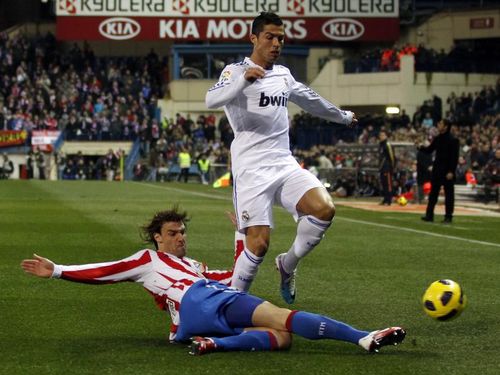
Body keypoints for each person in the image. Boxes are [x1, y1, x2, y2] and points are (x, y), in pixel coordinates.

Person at [20, 207, 406, 355]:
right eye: (173, 232)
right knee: (284, 317)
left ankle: (216, 344)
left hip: (194, 318)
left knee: (282, 339)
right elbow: (104, 271)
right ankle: (363, 337)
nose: (180, 237)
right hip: (198, 300)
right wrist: (57, 270)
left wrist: (241, 235)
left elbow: (236, 278)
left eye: (182, 232)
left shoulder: (195, 265)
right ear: (157, 237)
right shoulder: (146, 260)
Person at [205, 12, 357, 303]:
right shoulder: (235, 71)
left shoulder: (283, 75)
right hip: (251, 168)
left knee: (324, 209)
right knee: (259, 245)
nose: (276, 43)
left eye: (281, 38)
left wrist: (343, 117)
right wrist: (243, 82)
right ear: (254, 38)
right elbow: (211, 100)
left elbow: (310, 99)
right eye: (270, 37)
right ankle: (229, 307)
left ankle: (287, 265)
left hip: (284, 163)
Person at [419, 119, 459, 223]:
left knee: (449, 194)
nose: (438, 125)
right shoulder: (438, 138)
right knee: (433, 193)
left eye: (440, 124)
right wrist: (420, 147)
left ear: (446, 127)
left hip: (447, 170)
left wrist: (451, 171)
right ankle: (429, 215)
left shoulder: (453, 140)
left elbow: (454, 157)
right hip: (437, 169)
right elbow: (429, 150)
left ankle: (448, 216)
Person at [378, 131, 395, 206]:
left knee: (388, 184)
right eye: (380, 135)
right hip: (382, 167)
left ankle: (389, 199)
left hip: (387, 167)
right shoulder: (381, 145)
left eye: (382, 135)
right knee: (383, 183)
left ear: (386, 136)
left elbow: (392, 156)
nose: (381, 136)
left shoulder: (387, 144)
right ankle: (385, 198)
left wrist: (391, 167)